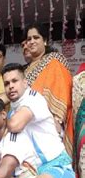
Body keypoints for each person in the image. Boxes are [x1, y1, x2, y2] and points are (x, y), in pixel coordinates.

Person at [2, 63, 75, 178]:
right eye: (7, 83)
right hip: (34, 175)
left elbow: (15, 124)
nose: (10, 86)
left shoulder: (34, 99)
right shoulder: (11, 112)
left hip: (57, 168)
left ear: (25, 82)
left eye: (15, 81)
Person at [23, 23, 74, 159]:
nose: (32, 42)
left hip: (49, 127)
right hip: (26, 127)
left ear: (44, 41)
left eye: (36, 37)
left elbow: (62, 89)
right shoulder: (25, 70)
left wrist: (56, 120)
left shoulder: (54, 61)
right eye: (29, 39)